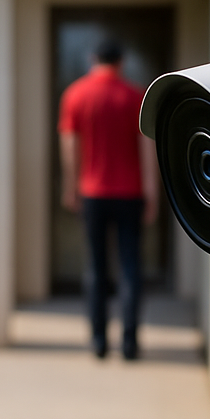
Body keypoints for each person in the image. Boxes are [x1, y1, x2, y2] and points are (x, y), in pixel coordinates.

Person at [58, 38, 158, 360]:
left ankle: (99, 343)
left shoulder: (75, 94)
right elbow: (147, 149)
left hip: (93, 194)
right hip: (130, 194)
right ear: (122, 61)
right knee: (130, 268)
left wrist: (70, 187)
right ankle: (129, 344)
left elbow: (69, 147)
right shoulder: (135, 96)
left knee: (96, 268)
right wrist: (152, 193)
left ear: (92, 59)